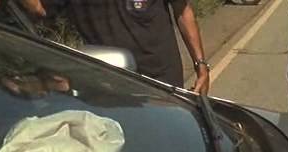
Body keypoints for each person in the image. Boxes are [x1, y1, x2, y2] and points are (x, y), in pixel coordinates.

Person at [12, 0, 212, 93]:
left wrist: (201, 65)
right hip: (111, 86)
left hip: (165, 82)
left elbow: (182, 11)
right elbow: (38, 8)